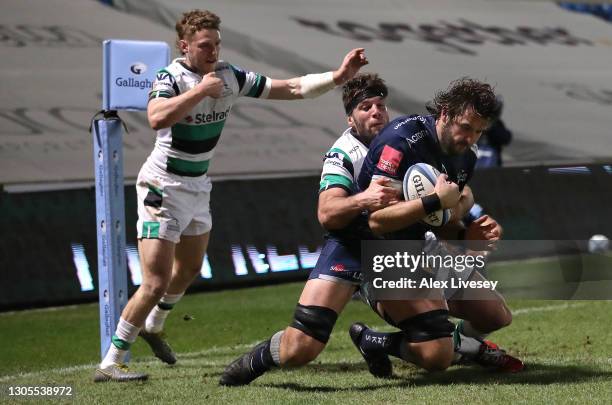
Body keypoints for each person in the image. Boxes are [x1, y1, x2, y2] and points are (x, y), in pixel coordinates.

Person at [93, 9, 369, 382]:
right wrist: (199, 92)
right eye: (205, 45)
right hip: (162, 186)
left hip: (197, 186)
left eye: (217, 44)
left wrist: (336, 77)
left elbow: (286, 88)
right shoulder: (170, 77)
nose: (213, 51)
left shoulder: (229, 75)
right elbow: (157, 117)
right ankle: (111, 361)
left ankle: (154, 324)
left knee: (189, 268)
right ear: (184, 46)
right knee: (156, 280)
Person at [219, 73, 399, 386]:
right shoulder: (343, 153)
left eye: (380, 105)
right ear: (350, 118)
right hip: (350, 246)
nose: (375, 111)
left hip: (393, 249)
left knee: (459, 326)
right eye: (365, 107)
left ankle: (375, 341)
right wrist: (365, 199)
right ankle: (252, 362)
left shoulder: (403, 141)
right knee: (300, 349)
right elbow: (327, 213)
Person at [350, 78, 523, 377]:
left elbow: (440, 220)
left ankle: (458, 346)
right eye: (466, 127)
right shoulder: (401, 141)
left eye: (479, 131)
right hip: (377, 254)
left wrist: (466, 233)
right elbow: (376, 220)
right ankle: (374, 331)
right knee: (436, 357)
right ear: (445, 113)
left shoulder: (465, 157)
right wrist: (435, 201)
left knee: (495, 315)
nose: (470, 138)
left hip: (421, 248)